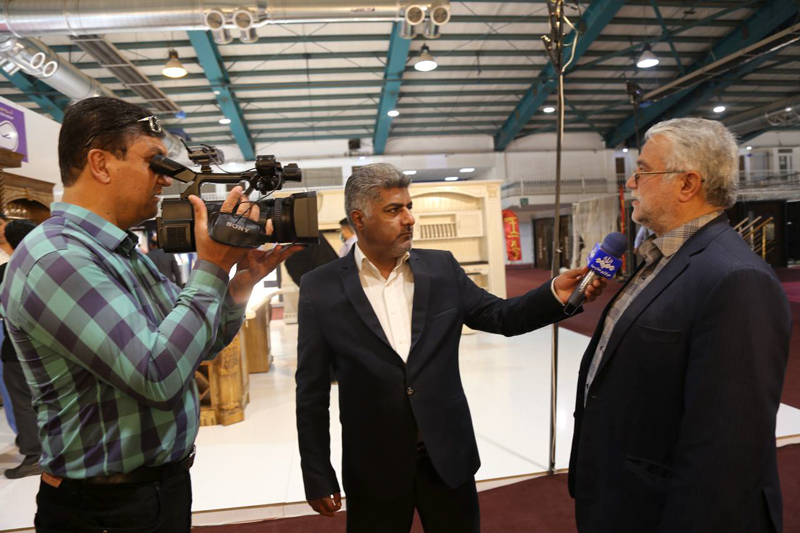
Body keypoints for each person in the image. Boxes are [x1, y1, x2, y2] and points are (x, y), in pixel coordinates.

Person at [0, 97, 299, 532]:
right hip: (103, 509)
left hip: (155, 491)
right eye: (153, 162)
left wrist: (238, 285)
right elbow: (157, 375)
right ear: (101, 164)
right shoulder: (57, 258)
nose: (165, 179)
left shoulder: (117, 251)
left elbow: (193, 348)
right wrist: (211, 267)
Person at [296, 163, 605, 533]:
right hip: (374, 466)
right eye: (394, 210)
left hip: (446, 458)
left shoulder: (441, 268)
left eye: (409, 206)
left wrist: (554, 294)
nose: (409, 218)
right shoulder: (320, 287)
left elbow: (500, 316)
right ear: (359, 219)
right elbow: (311, 391)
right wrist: (317, 472)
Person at [568, 118, 791, 533]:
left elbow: (725, 449)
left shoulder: (737, 279)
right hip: (622, 495)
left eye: (643, 170)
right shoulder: (663, 258)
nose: (631, 182)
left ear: (687, 184)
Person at [0, 219, 40, 479]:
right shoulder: (49, 266)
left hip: (17, 348)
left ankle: (34, 454)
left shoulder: (6, 271)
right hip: (51, 346)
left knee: (23, 402)